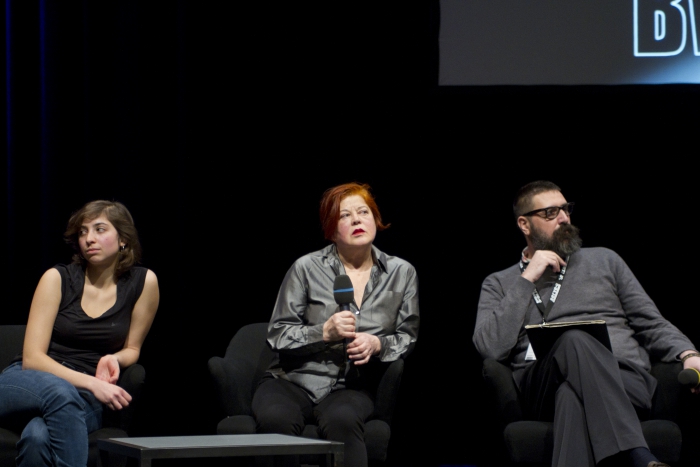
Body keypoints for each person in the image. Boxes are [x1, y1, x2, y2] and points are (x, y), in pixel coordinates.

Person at [473, 180, 700, 467]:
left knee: (570, 395)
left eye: (566, 209)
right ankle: (636, 455)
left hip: (622, 378)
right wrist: (527, 279)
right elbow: (491, 348)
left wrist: (689, 354)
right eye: (550, 212)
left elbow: (651, 322)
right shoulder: (500, 282)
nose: (564, 218)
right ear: (524, 224)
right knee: (574, 339)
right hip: (542, 383)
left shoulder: (606, 260)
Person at [251, 182, 419, 467]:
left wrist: (379, 344)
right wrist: (323, 332)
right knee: (275, 419)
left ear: (375, 219)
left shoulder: (401, 272)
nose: (356, 219)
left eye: (363, 212)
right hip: (292, 380)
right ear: (331, 230)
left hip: (352, 385)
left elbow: (408, 336)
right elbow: (278, 334)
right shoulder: (305, 267)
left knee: (343, 420)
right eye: (344, 215)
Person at [0, 200, 160, 467]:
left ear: (123, 239)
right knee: (61, 393)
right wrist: (94, 384)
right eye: (83, 232)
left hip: (84, 397)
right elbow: (32, 359)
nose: (89, 239)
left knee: (37, 437)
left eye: (99, 229)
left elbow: (133, 348)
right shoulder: (57, 278)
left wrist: (115, 359)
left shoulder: (143, 283)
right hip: (29, 381)